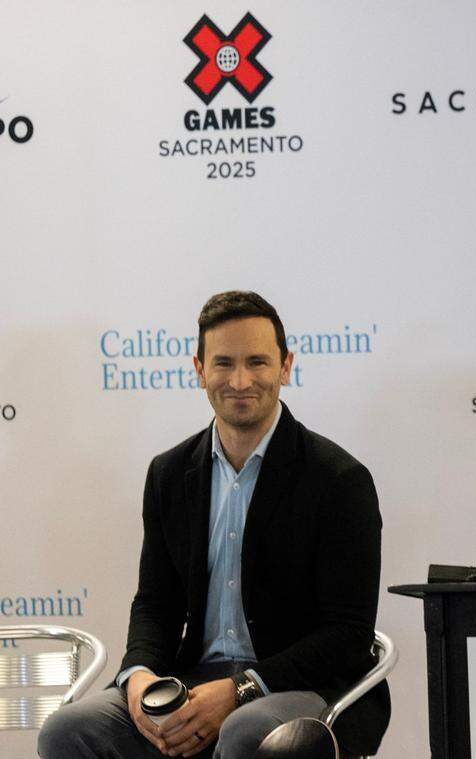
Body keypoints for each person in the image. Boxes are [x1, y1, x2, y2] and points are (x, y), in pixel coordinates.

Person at [39, 291, 389, 758]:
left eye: (257, 362)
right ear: (199, 369)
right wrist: (139, 675)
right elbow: (155, 604)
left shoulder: (339, 480)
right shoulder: (168, 473)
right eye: (223, 363)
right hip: (193, 681)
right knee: (67, 731)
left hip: (302, 686)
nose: (240, 380)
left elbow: (347, 635)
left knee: (247, 732)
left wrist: (241, 688)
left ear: (285, 367)